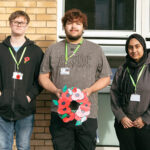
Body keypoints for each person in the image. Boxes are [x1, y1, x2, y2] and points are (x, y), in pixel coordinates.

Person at [39, 8, 111, 150]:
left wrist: (90, 90)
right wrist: (56, 90)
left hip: (87, 114)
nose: (73, 27)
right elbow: (43, 76)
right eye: (69, 23)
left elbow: (106, 77)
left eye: (78, 23)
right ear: (64, 26)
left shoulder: (95, 49)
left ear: (83, 27)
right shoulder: (53, 50)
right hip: (60, 113)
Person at [0, 10, 43, 150]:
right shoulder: (0, 49)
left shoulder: (35, 52)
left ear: (27, 25)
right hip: (2, 108)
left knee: (24, 146)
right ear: (10, 24)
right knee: (3, 146)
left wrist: (29, 97)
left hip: (25, 109)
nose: (19, 25)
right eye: (15, 22)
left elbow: (41, 79)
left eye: (22, 22)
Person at [111, 33, 150, 150]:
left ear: (143, 47)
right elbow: (114, 94)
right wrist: (121, 116)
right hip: (125, 125)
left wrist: (145, 118)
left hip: (146, 125)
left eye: (137, 46)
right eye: (130, 47)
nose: (134, 50)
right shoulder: (122, 69)